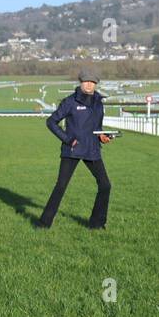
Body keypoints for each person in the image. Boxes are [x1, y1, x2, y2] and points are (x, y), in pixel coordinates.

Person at [37, 71, 113, 230]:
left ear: (96, 84)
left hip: (92, 150)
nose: (89, 84)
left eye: (92, 82)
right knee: (61, 186)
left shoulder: (99, 102)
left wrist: (102, 136)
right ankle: (44, 224)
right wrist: (68, 140)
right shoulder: (70, 102)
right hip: (72, 150)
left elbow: (96, 127)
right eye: (86, 81)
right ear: (80, 82)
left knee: (105, 185)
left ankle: (97, 224)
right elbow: (51, 122)